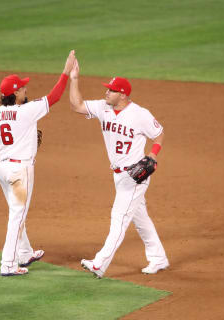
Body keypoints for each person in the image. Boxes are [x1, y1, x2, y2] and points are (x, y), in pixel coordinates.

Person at [69, 59, 169, 278]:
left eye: (111, 90)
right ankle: (159, 258)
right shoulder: (104, 107)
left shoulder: (140, 114)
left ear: (122, 95)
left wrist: (153, 154)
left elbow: (159, 133)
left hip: (135, 175)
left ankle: (100, 263)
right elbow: (77, 106)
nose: (106, 92)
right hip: (118, 175)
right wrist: (74, 79)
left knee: (119, 218)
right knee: (140, 219)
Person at [0, 51, 76, 276]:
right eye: (22, 88)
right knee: (17, 214)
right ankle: (8, 264)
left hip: (2, 169)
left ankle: (24, 253)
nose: (25, 90)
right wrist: (65, 71)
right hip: (20, 171)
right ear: (15, 93)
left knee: (16, 210)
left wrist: (9, 144)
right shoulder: (26, 111)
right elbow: (54, 97)